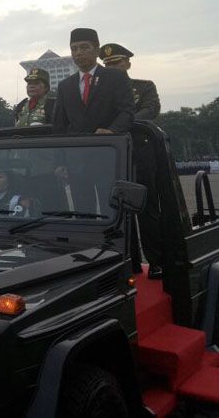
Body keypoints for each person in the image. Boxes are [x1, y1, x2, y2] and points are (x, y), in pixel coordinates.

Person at [100, 42, 163, 278]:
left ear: (127, 63)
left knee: (148, 210)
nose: (113, 67)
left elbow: (151, 109)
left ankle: (156, 261)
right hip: (114, 156)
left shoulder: (144, 86)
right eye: (107, 65)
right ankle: (131, 263)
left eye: (116, 63)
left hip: (140, 152)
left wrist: (121, 125)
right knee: (119, 212)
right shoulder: (101, 93)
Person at [52, 28, 134, 135]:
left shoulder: (116, 77)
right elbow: (59, 122)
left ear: (97, 51)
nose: (79, 53)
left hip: (110, 145)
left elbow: (127, 111)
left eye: (84, 47)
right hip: (75, 147)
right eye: (74, 49)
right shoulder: (65, 85)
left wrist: (112, 130)